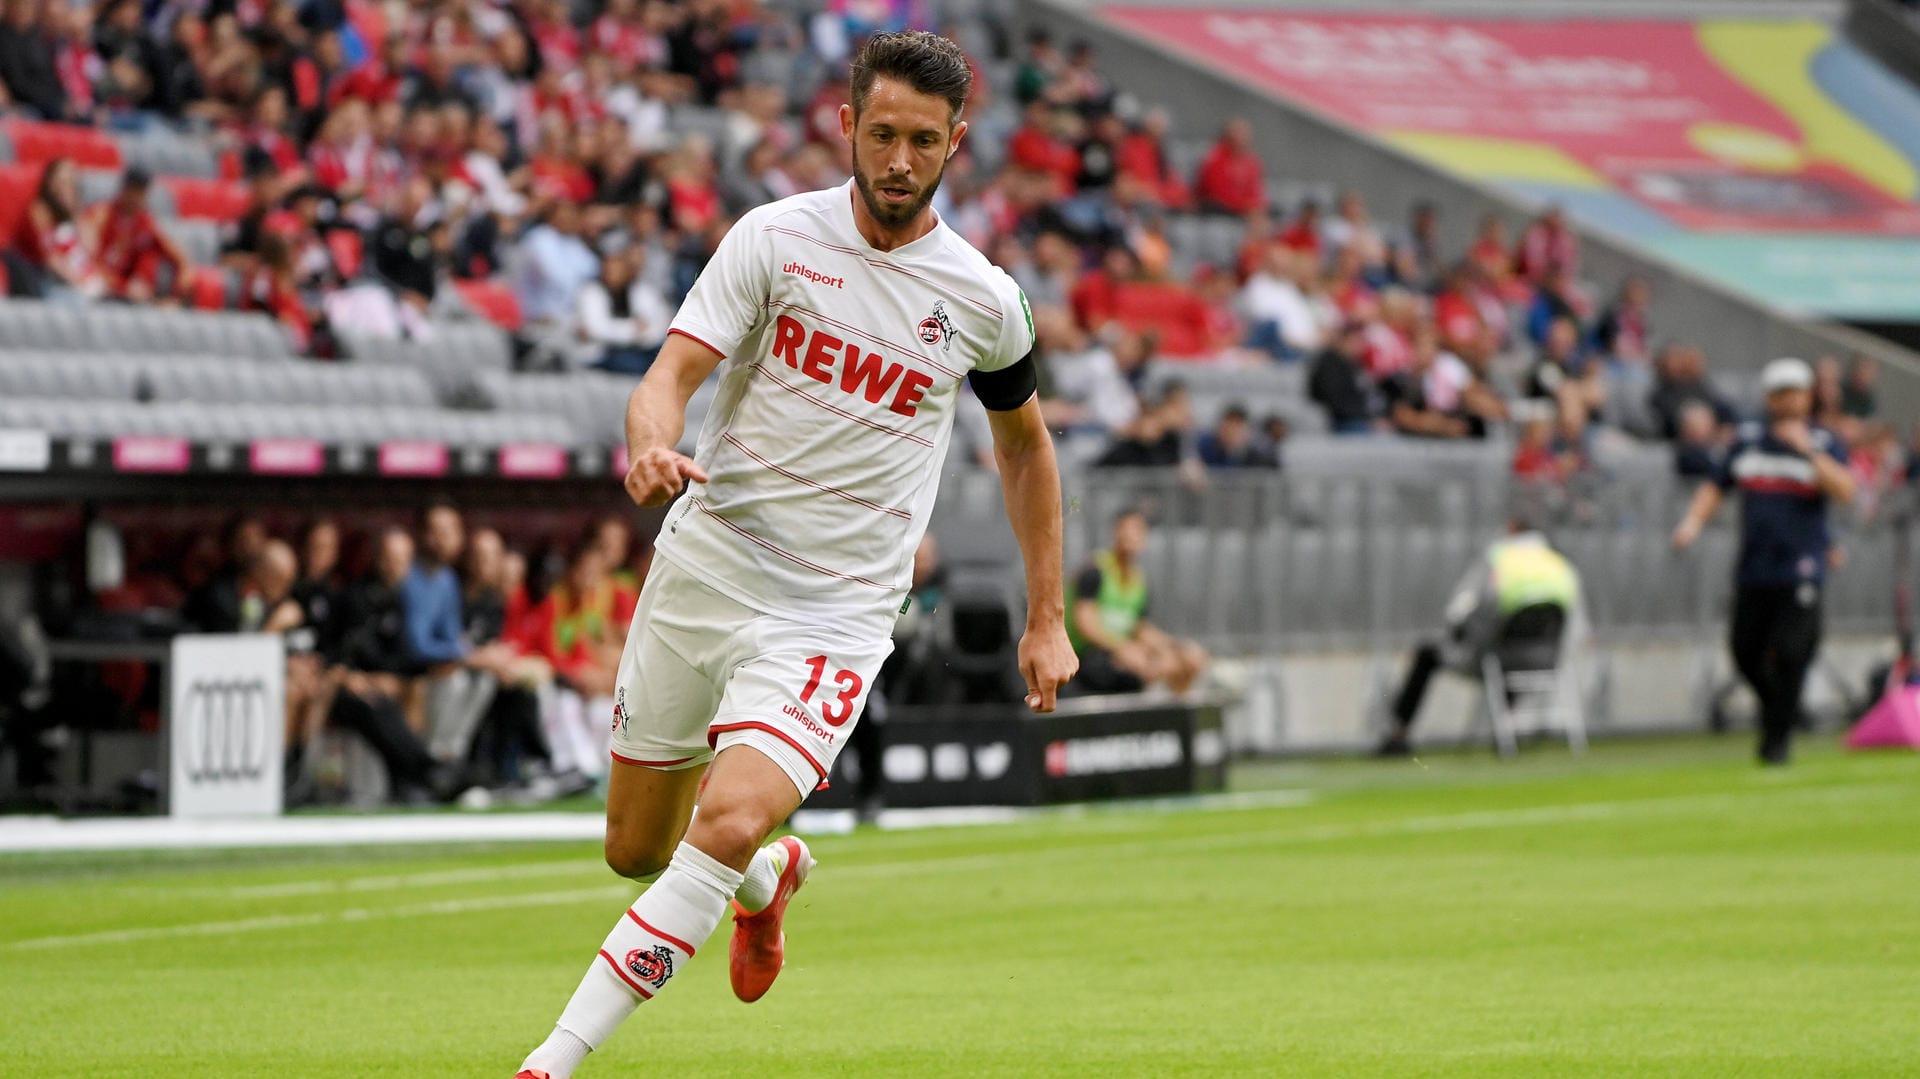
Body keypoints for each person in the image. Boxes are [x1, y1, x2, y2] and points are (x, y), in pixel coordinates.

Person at [514, 32, 1076, 1079]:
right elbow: (670, 375)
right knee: (637, 847)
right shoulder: (774, 239)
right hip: (710, 564)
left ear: (956, 142)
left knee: (721, 816)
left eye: (922, 140)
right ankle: (768, 878)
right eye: (881, 134)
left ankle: (552, 1055)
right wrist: (648, 443)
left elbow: (1026, 447)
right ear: (846, 125)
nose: (898, 160)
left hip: (837, 609)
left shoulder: (983, 299)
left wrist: (1047, 616)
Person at [1672, 358, 1857, 765]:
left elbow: (1845, 490)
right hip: (1755, 567)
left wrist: (1807, 451)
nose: (1792, 402)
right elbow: (1716, 486)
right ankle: (1783, 712)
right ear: (1771, 399)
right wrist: (1691, 524)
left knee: (1792, 652)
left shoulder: (1823, 442)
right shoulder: (1749, 441)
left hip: (1801, 567)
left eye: (1798, 393)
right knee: (1745, 651)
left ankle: (1776, 741)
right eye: (1784, 394)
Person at [1377, 514, 1583, 756]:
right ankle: (1506, 729)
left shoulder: (1499, 560)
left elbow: (1463, 610)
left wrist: (1463, 636)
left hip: (1497, 658)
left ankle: (1398, 734)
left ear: (1511, 530)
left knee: (1427, 654)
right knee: (1511, 654)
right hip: (1547, 659)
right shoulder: (1559, 565)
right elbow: (1577, 622)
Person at [1065, 508, 1207, 695]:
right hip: (1086, 657)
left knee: (1185, 659)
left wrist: (1175, 648)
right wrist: (1122, 648)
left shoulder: (1139, 581)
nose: (1130, 535)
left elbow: (1139, 627)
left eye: (1137, 530)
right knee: (1138, 664)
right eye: (1126, 528)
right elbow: (1085, 624)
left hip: (1116, 652)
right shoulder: (1096, 570)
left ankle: (1179, 709)